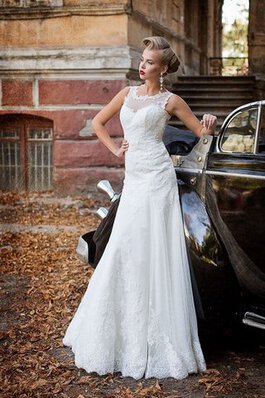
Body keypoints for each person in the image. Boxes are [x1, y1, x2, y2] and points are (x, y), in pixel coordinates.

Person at [63, 36, 217, 380]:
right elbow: (98, 123)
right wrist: (116, 149)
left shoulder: (171, 100)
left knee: (154, 253)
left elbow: (200, 136)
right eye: (142, 60)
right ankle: (117, 330)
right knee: (123, 248)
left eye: (149, 62)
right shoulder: (126, 94)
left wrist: (209, 127)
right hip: (134, 180)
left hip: (158, 180)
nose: (142, 65)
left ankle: (158, 337)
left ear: (162, 69)